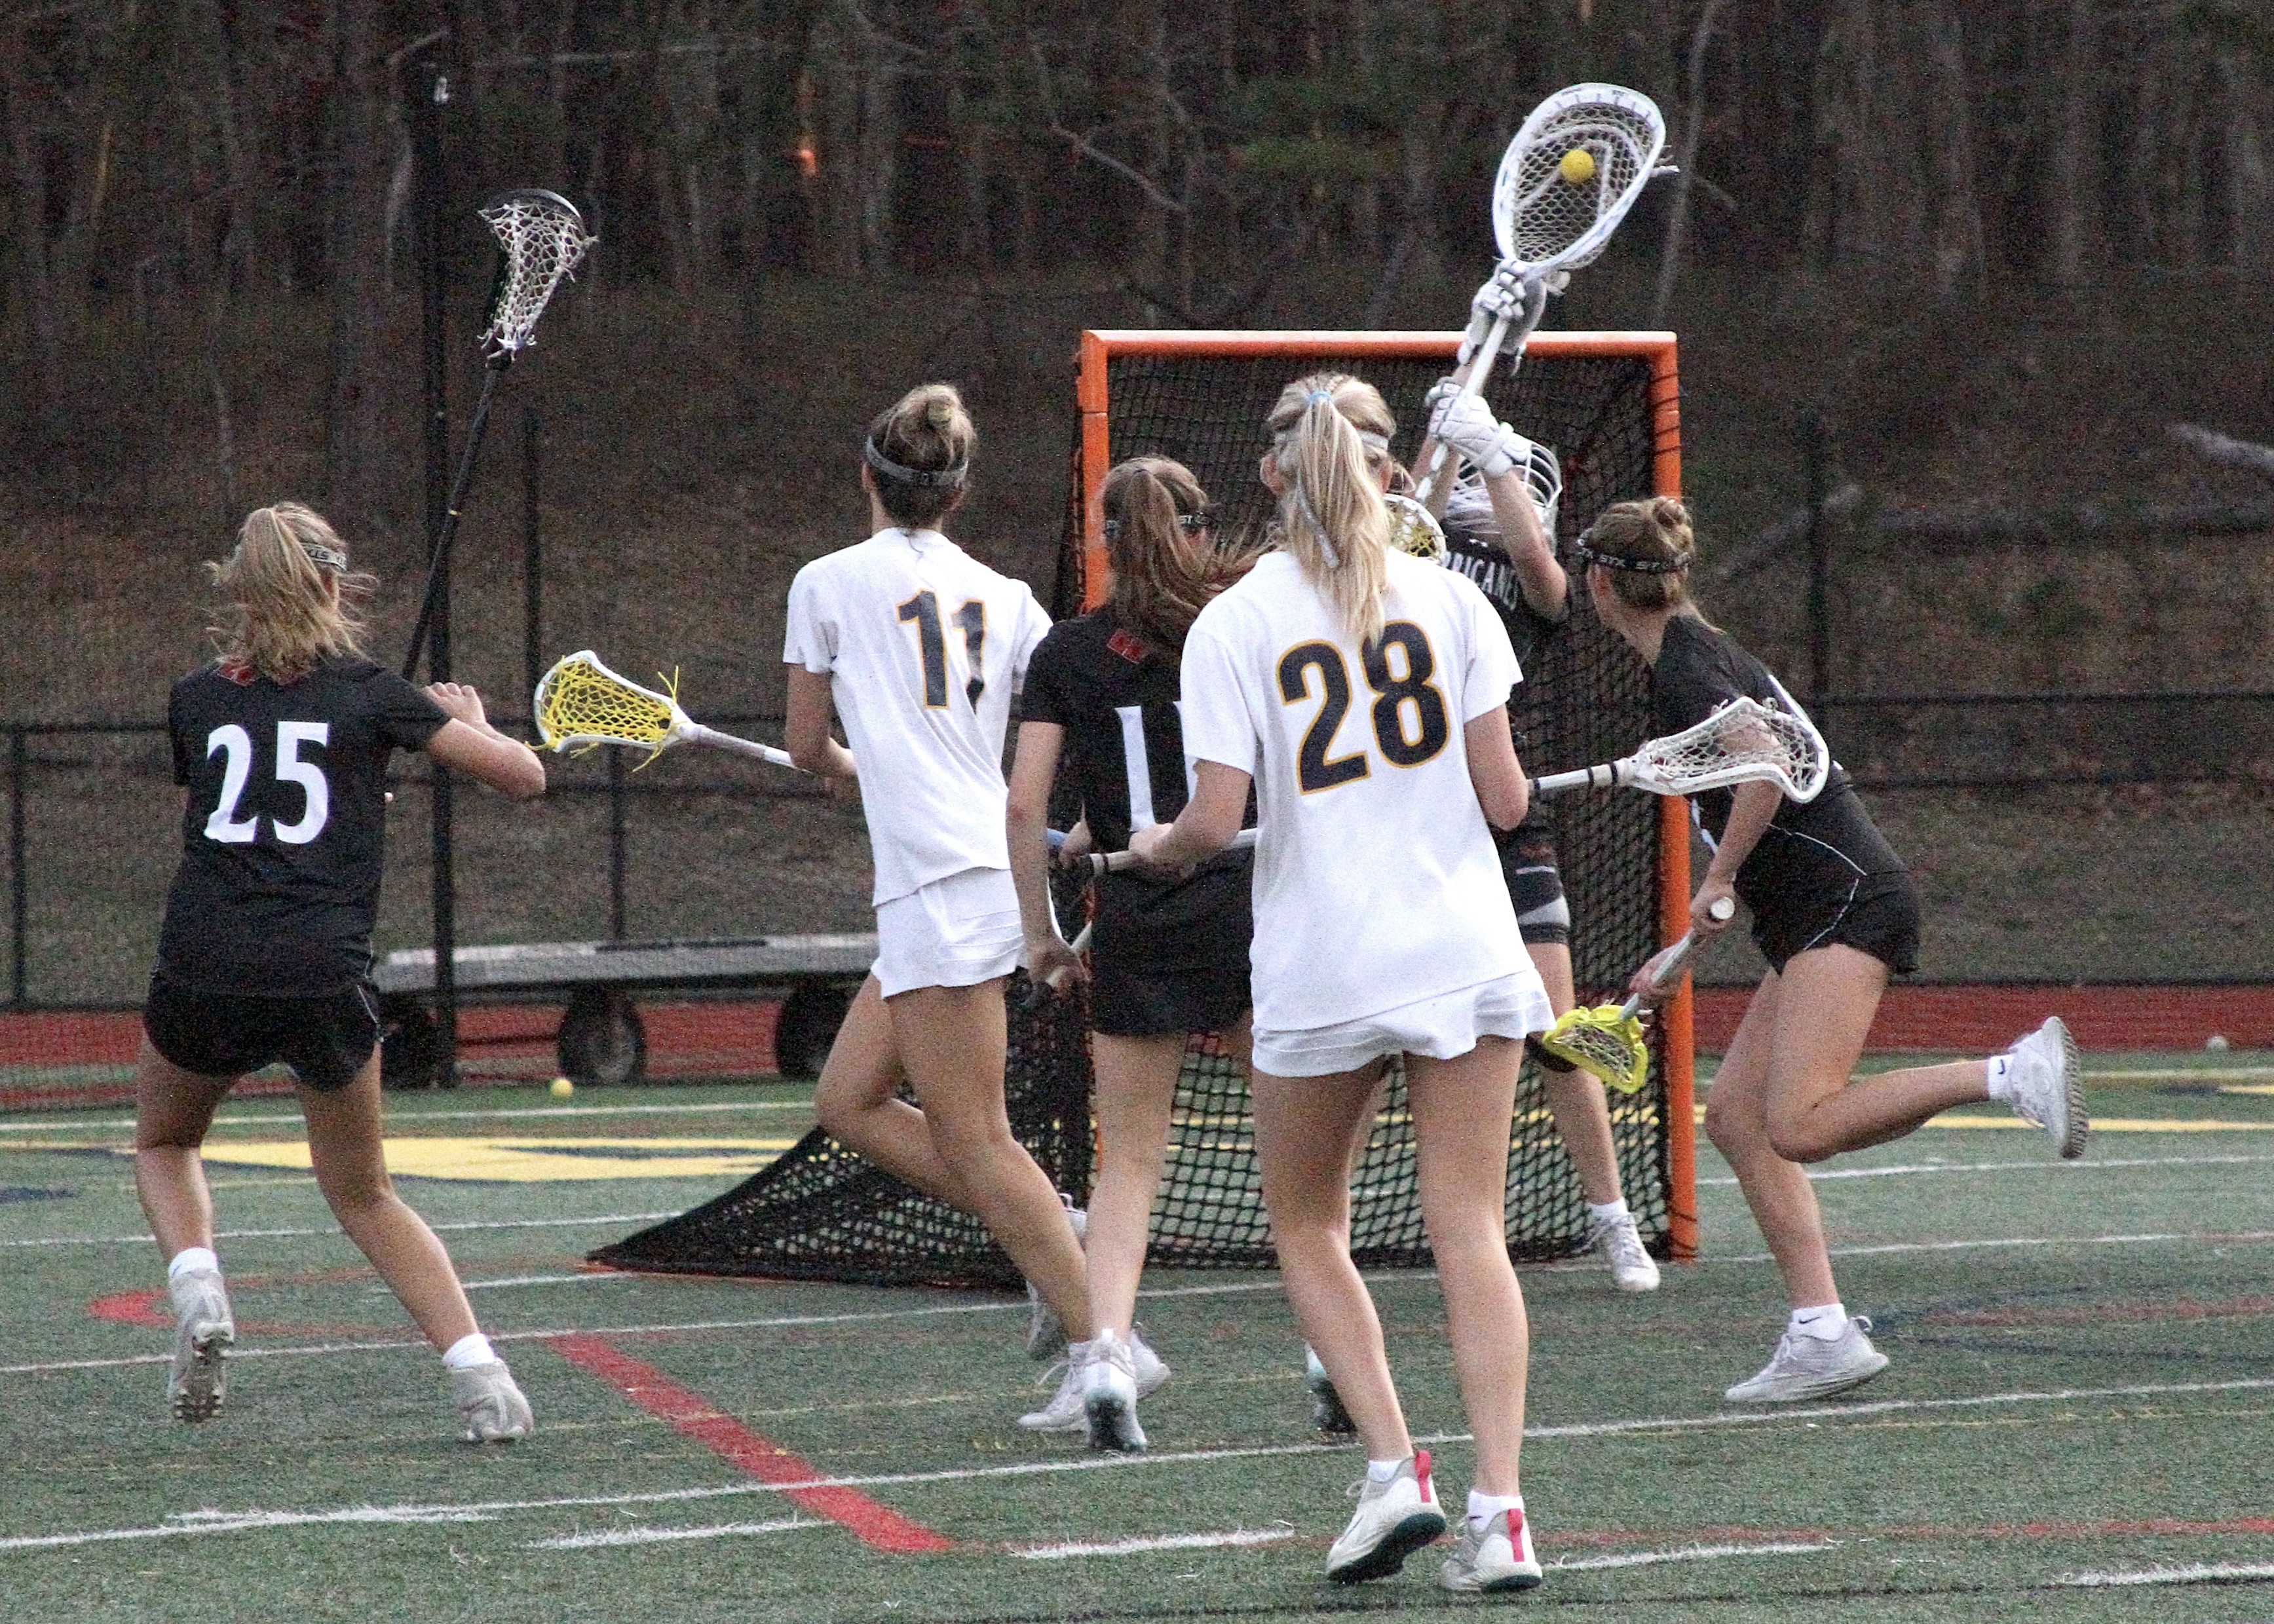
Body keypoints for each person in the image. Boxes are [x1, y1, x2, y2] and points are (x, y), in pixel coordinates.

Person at [1131, 374, 1551, 1593]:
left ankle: (1390, 1470)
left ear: (1271, 475)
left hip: (1325, 961)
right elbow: (1510, 802)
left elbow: (1212, 823)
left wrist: (1153, 846)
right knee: (1470, 1228)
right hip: (1467, 948)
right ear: (1379, 471)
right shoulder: (1452, 601)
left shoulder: (1232, 622)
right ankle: (1503, 1514)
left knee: (1309, 1223)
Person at [1579, 497, 2085, 1404]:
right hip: (1811, 908)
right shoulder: (1703, 651)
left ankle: (2007, 1075)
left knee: (1799, 1125)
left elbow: (1765, 764)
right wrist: (1683, 946)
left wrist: (1716, 878)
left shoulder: (1691, 669)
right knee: (1736, 1118)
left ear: (1601, 584)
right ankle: (1821, 1332)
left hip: (1845, 900)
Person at [136, 502, 547, 1441]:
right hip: (321, 966)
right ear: (332, 582)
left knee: (164, 1144)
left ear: (240, 587)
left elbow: (253, 781)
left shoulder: (195, 697)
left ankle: (197, 1283)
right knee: (362, 1192)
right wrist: (460, 720)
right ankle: (481, 1380)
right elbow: (525, 776)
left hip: (204, 957)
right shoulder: (374, 692)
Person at [784, 382, 1095, 1418]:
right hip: (969, 864)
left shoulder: (824, 582)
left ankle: (1105, 1337)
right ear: (955, 493)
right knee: (848, 1103)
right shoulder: (1008, 596)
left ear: (868, 477)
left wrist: (846, 760)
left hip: (941, 877)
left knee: (975, 1138)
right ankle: (1050, 1229)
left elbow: (802, 747)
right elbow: (1057, 711)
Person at [1006, 457, 1255, 1452]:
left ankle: (1105, 1353)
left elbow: (1025, 803)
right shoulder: (1243, 622)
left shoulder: (1068, 650)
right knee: (1303, 1165)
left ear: (1104, 541)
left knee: (1133, 1164)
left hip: (1141, 919)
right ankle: (1333, 1361)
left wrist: (1043, 932)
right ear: (1197, 532)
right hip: (1246, 906)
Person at [1416, 379, 1661, 1294]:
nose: (1490, 484)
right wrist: (1444, 451)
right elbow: (1405, 523)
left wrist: (1485, 451)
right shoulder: (1412, 569)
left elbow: (1535, 556)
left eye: (1508, 476)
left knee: (1556, 1031)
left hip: (1505, 813)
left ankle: (1611, 1218)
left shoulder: (1534, 585)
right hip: (1410, 822)